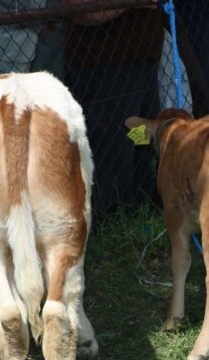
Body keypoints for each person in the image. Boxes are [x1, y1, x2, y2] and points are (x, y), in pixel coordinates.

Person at [63, 0, 163, 218]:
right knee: (114, 149)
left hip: (142, 60)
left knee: (139, 142)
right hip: (104, 65)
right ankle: (113, 224)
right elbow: (77, 9)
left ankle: (140, 217)